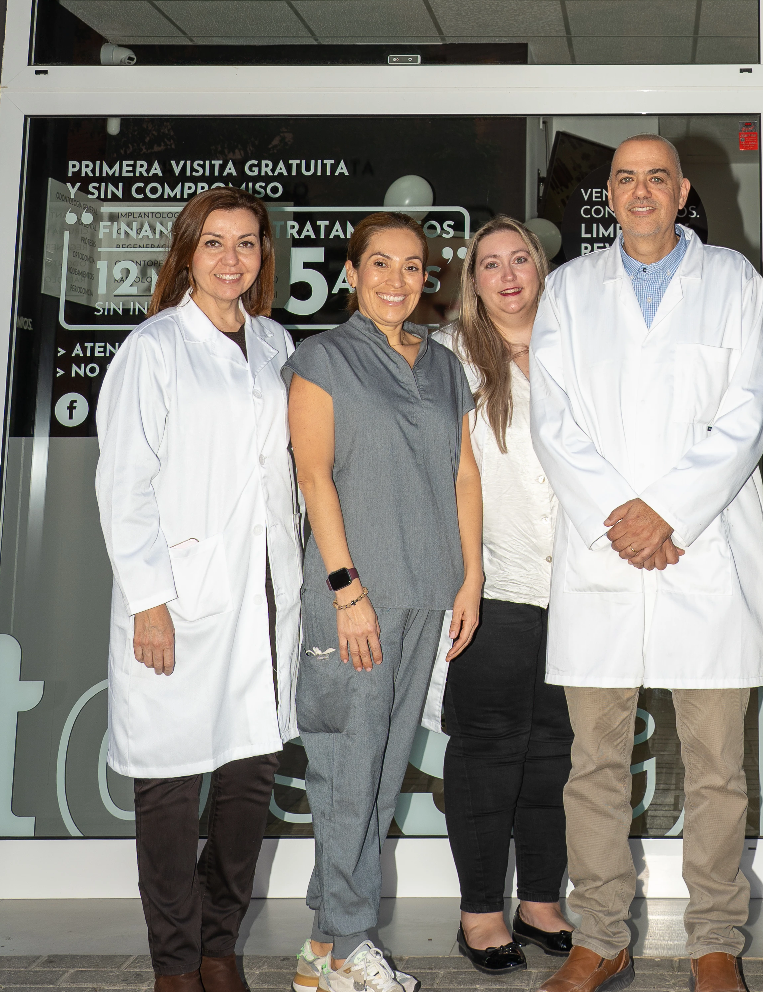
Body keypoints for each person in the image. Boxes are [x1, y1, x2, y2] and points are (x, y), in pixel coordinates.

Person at [530, 135, 763, 992]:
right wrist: (621, 519)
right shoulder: (567, 291)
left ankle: (714, 940)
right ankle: (602, 935)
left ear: (682, 191)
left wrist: (665, 512)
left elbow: (747, 415)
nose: (640, 191)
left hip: (700, 554)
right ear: (609, 193)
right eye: (625, 178)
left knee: (718, 770)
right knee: (593, 766)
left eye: (656, 178)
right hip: (606, 561)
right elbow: (550, 420)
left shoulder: (737, 284)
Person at [95, 189, 302, 992]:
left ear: (262, 257)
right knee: (172, 794)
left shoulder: (278, 342)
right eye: (214, 243)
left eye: (246, 244)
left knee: (249, 790)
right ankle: (176, 966)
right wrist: (148, 599)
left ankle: (222, 948)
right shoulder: (153, 348)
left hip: (264, 594)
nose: (230, 260)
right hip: (179, 600)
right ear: (187, 254)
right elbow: (124, 485)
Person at [288, 212, 483, 992]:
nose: (396, 280)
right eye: (379, 264)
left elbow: (463, 473)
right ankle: (346, 946)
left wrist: (467, 577)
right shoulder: (322, 359)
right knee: (345, 769)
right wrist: (347, 589)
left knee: (374, 774)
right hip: (354, 600)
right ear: (350, 272)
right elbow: (314, 478)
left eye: (412, 267)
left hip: (425, 591)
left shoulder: (443, 365)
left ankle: (321, 949)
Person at [436, 216, 574, 974]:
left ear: (542, 269)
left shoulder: (572, 348)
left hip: (580, 586)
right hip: (493, 582)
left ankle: (542, 900)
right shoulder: (454, 357)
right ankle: (481, 910)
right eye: (491, 263)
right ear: (474, 280)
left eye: (521, 258)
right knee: (488, 749)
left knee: (558, 749)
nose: (509, 274)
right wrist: (467, 576)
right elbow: (448, 475)